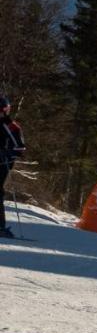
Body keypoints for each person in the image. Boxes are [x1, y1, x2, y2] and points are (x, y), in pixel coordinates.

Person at [1, 95, 27, 239]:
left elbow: (20, 149)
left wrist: (6, 152)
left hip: (3, 163)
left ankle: (1, 226)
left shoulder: (11, 126)